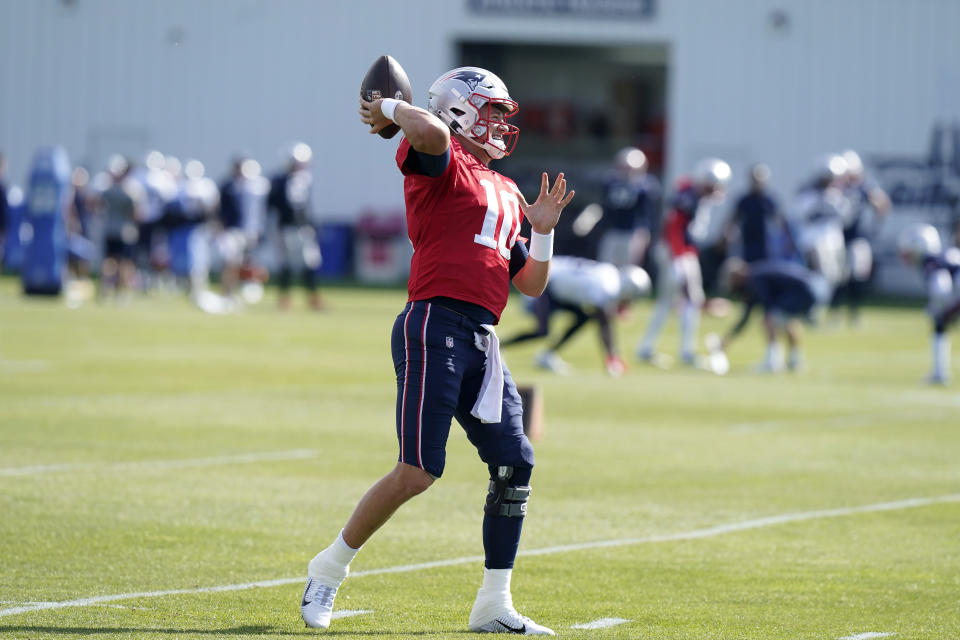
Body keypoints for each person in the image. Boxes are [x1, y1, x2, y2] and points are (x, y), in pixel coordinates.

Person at [299, 66, 574, 635]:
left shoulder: (503, 187)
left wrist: (542, 230)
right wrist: (392, 109)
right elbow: (430, 137)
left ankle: (493, 603)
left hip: (482, 337)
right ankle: (328, 568)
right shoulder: (440, 160)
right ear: (460, 110)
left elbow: (532, 285)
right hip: (434, 323)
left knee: (515, 462)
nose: (501, 124)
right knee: (418, 470)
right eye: (492, 111)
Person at [636, 157, 730, 368]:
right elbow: (673, 227)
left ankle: (646, 348)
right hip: (678, 253)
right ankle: (686, 352)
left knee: (667, 302)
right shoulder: (688, 196)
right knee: (692, 301)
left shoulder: (693, 192)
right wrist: (678, 257)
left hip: (681, 252)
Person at [501, 256, 650, 376]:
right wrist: (612, 357)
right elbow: (604, 323)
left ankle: (547, 356)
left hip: (554, 285)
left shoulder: (609, 274)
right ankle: (500, 347)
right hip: (544, 285)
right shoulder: (608, 288)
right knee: (542, 331)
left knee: (584, 317)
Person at [716, 257, 830, 373]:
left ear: (738, 274)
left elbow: (768, 308)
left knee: (769, 319)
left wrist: (727, 339)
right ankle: (795, 360)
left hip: (808, 290)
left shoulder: (755, 279)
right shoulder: (755, 275)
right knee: (785, 320)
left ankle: (772, 362)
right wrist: (728, 338)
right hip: (816, 288)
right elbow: (746, 317)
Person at [830, 150, 892, 324]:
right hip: (838, 237)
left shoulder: (864, 187)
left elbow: (883, 204)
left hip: (857, 237)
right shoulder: (837, 187)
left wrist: (876, 218)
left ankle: (853, 312)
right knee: (838, 277)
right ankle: (835, 311)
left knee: (856, 277)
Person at [897, 223, 960, 384]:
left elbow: (941, 284)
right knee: (940, 323)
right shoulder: (946, 255)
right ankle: (939, 373)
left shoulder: (931, 262)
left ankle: (940, 373)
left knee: (939, 320)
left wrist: (940, 307)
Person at [268, 142, 323, 311]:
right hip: (287, 227)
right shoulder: (280, 180)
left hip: (304, 227)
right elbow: (272, 204)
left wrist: (311, 223)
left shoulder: (305, 179)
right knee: (287, 264)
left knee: (310, 263)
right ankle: (284, 300)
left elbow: (306, 206)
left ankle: (313, 299)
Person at [596, 146, 659, 269]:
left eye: (629, 168)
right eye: (623, 167)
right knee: (606, 268)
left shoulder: (646, 187)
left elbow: (647, 214)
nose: (626, 171)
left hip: (632, 233)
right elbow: (605, 208)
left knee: (629, 269)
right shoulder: (610, 183)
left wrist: (643, 234)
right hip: (612, 231)